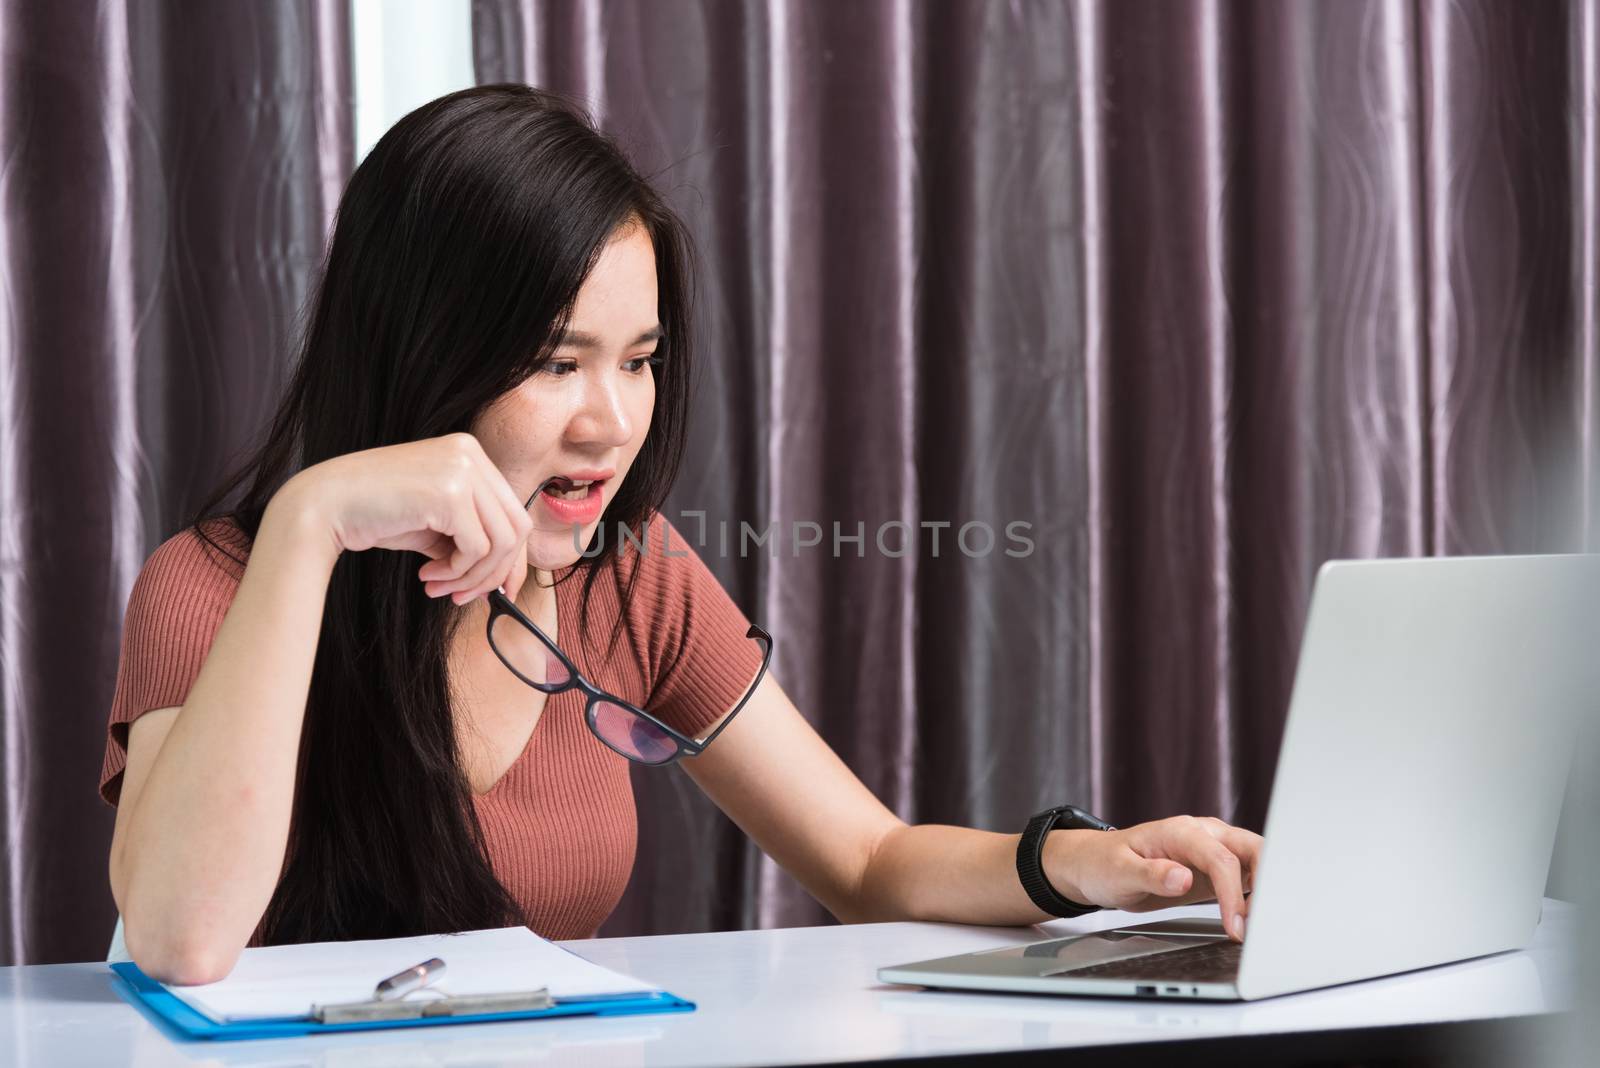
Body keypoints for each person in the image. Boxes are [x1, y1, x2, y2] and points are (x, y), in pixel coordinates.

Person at [101, 85, 1262, 985]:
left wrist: (1083, 864)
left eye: (640, 361)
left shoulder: (631, 575)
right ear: (422, 348)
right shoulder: (211, 587)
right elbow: (184, 943)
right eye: (557, 362)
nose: (610, 423)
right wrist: (311, 522)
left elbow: (864, 862)